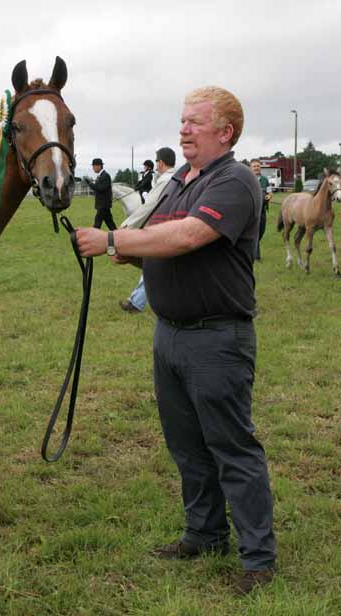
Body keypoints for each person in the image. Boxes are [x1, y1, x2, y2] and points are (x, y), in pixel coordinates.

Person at [76, 86, 275, 595]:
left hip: (217, 338)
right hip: (171, 335)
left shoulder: (235, 180)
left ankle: (258, 559)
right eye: (182, 121)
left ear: (225, 132)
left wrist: (114, 241)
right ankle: (204, 533)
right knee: (187, 446)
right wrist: (139, 253)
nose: (183, 129)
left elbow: (189, 237)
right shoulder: (179, 182)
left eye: (194, 122)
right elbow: (169, 244)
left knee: (232, 447)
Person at [119, 147, 177, 314]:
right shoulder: (172, 177)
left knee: (154, 264)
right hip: (169, 227)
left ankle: (136, 303)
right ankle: (136, 302)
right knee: (157, 266)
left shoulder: (166, 180)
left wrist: (127, 227)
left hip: (163, 228)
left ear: (160, 162)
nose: (156, 165)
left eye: (157, 161)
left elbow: (149, 206)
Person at [83, 158, 115, 230]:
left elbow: (100, 188)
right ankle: (118, 236)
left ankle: (93, 239)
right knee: (110, 223)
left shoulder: (105, 176)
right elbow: (98, 188)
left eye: (94, 166)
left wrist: (90, 183)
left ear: (99, 166)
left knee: (97, 224)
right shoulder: (101, 176)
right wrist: (91, 183)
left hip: (103, 205)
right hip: (103, 205)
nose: (93, 168)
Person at [249, 159, 271, 260]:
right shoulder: (248, 179)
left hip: (263, 209)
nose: (257, 168)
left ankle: (253, 246)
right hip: (251, 210)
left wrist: (269, 196)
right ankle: (256, 256)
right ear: (251, 168)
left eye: (258, 166)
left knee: (262, 230)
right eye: (254, 166)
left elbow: (270, 192)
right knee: (255, 231)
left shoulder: (264, 180)